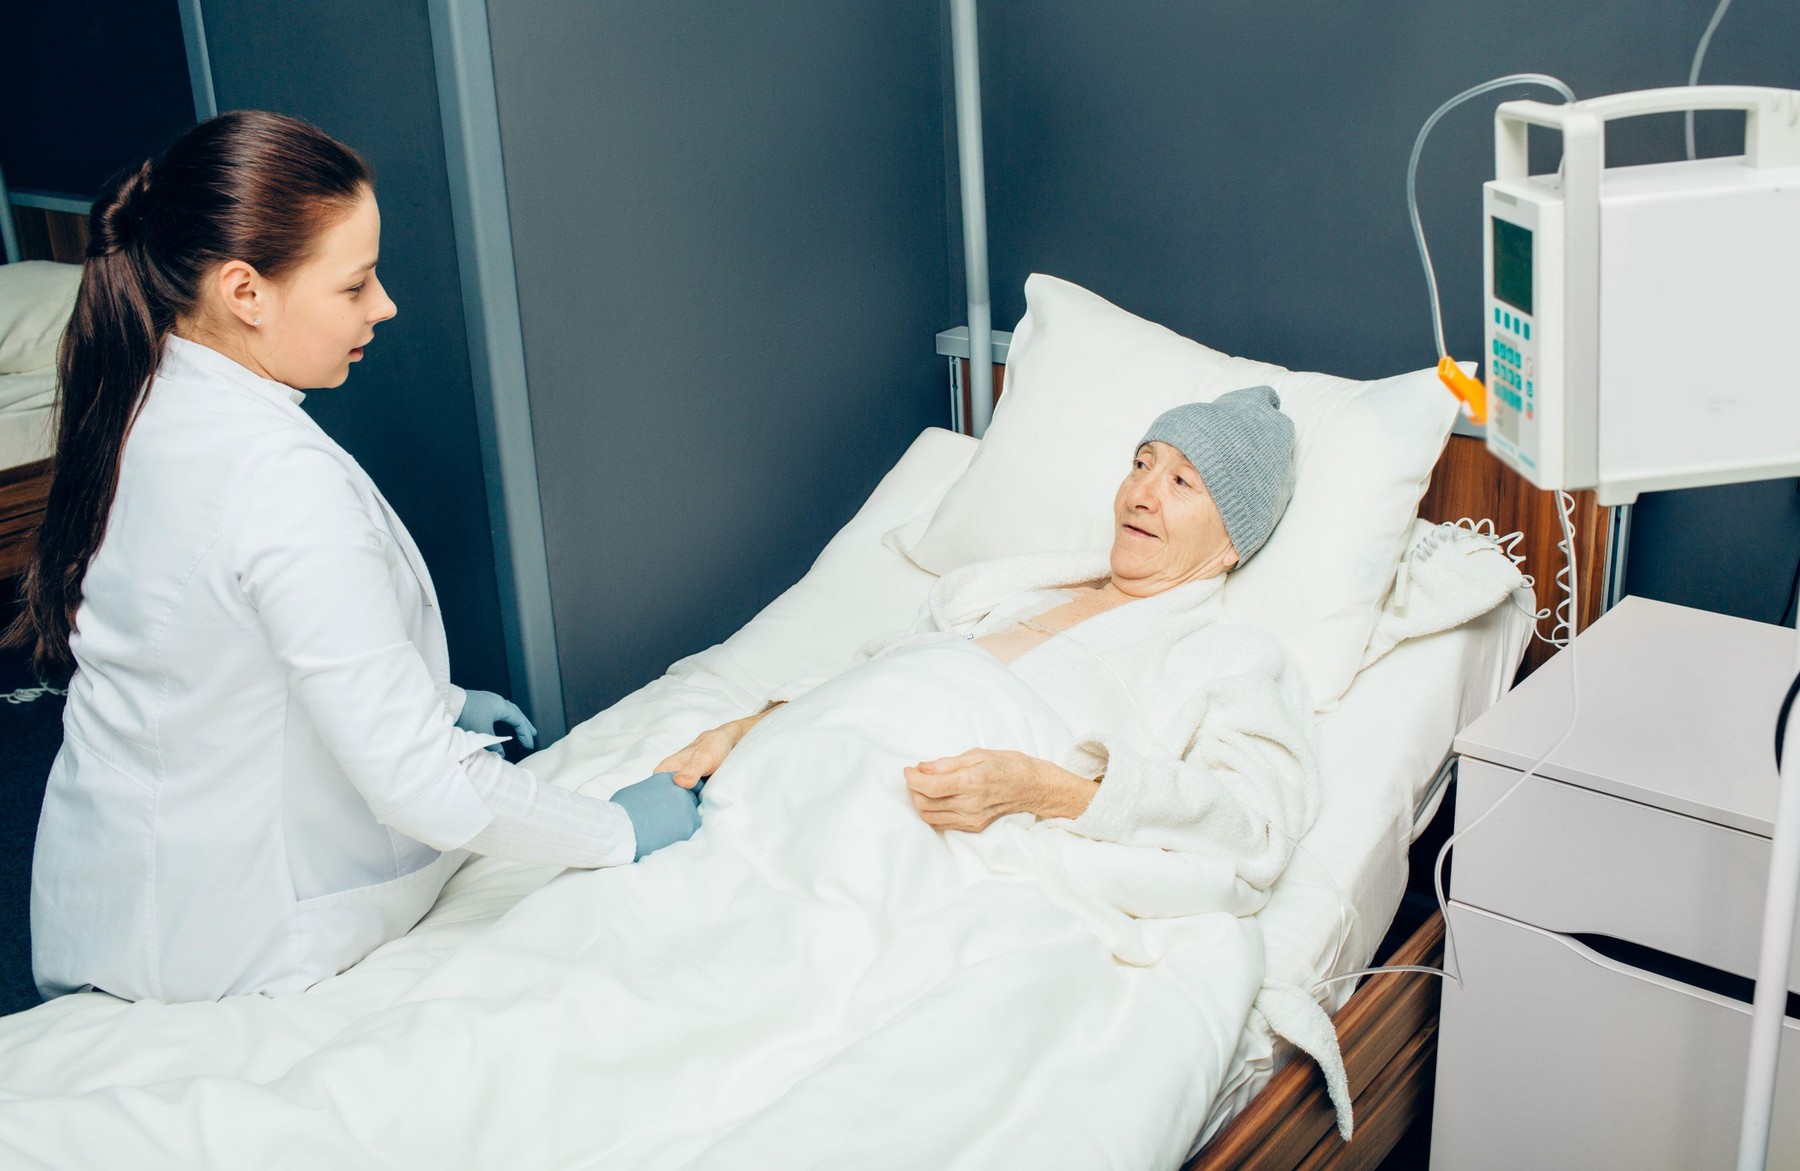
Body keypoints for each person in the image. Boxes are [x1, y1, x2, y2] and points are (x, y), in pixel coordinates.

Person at [6, 111, 698, 1005]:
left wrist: (437, 696)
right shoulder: (276, 477)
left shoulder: (146, 401)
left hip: (110, 903)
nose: (385, 305)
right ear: (244, 291)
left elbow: (216, 640)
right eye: (356, 284)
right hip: (236, 942)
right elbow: (418, 783)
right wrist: (615, 831)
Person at [656, 387, 1318, 891]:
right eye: (1142, 463)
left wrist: (1040, 788)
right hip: (825, 762)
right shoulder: (1007, 592)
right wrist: (754, 725)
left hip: (917, 834)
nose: (1140, 494)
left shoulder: (1231, 659)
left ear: (1232, 537)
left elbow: (1250, 829)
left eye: (1181, 482)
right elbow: (881, 677)